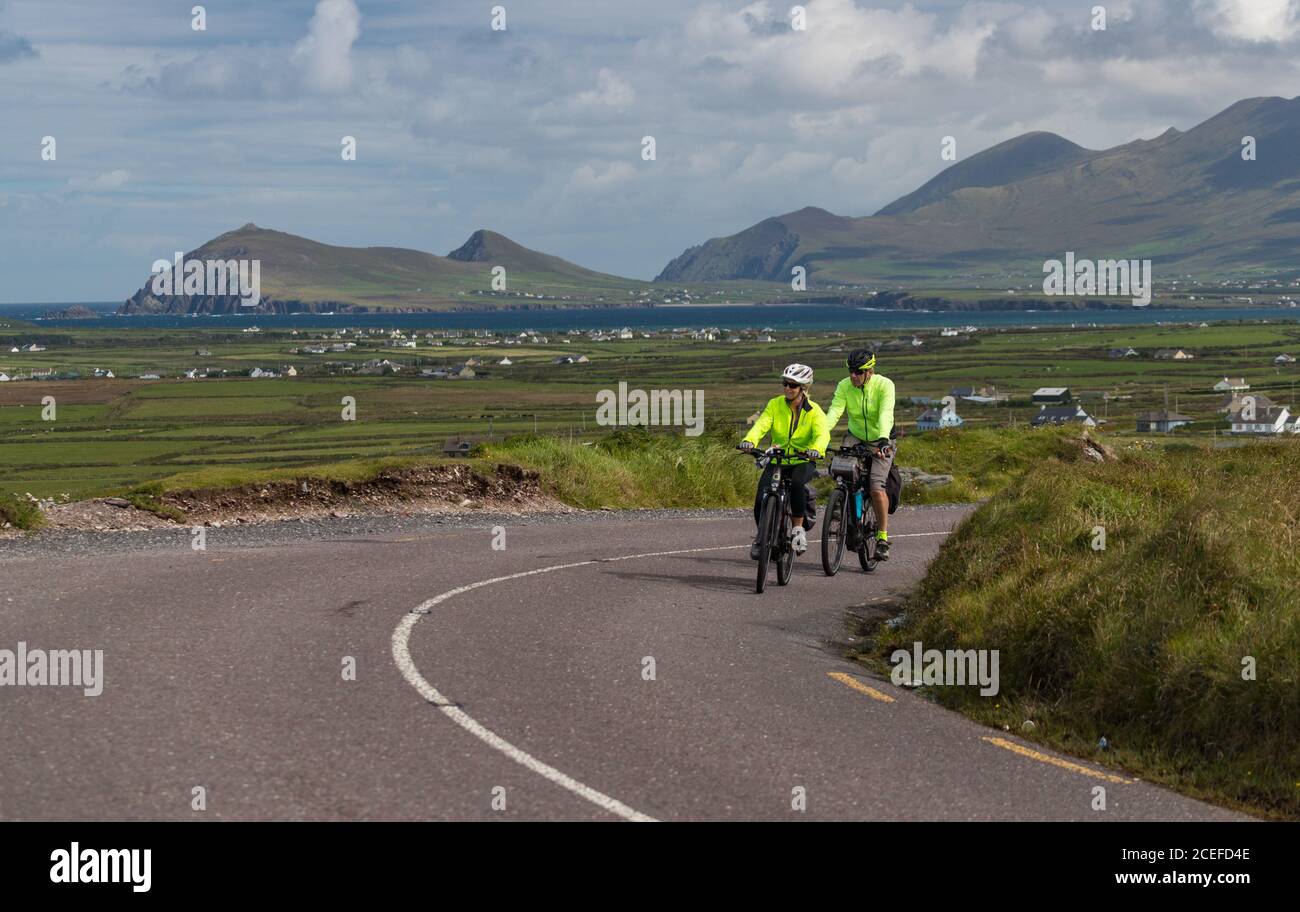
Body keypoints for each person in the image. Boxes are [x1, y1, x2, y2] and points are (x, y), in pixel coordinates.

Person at [739, 363, 829, 558]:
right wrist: (749, 441)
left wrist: (816, 450)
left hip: (802, 459)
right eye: (785, 384)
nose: (788, 388)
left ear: (803, 388)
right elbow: (762, 425)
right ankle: (762, 537)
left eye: (793, 385)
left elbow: (822, 434)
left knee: (797, 484)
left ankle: (797, 530)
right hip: (778, 459)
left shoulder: (814, 411)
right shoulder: (775, 404)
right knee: (761, 498)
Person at [824, 349, 896, 559]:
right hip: (855, 436)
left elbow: (886, 413)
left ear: (870, 372)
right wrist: (821, 436)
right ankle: (841, 504)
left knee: (875, 486)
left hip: (881, 439)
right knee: (841, 470)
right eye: (851, 371)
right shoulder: (844, 386)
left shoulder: (885, 385)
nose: (853, 376)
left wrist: (883, 440)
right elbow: (835, 411)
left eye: (858, 372)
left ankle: (882, 538)